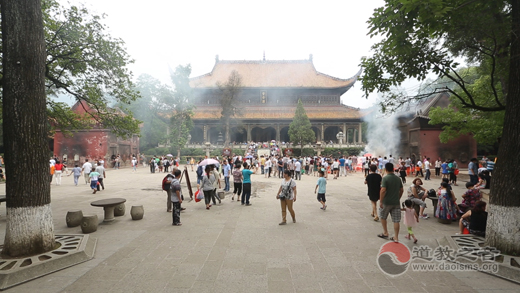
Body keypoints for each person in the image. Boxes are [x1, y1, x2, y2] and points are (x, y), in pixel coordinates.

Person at [377, 163, 404, 242]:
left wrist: (381, 201)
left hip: (386, 201)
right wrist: (398, 197)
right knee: (396, 220)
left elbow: (383, 190)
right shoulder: (398, 178)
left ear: (386, 169)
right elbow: (401, 190)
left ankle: (385, 232)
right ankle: (396, 237)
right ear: (393, 168)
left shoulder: (385, 178)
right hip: (396, 202)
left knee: (383, 216)